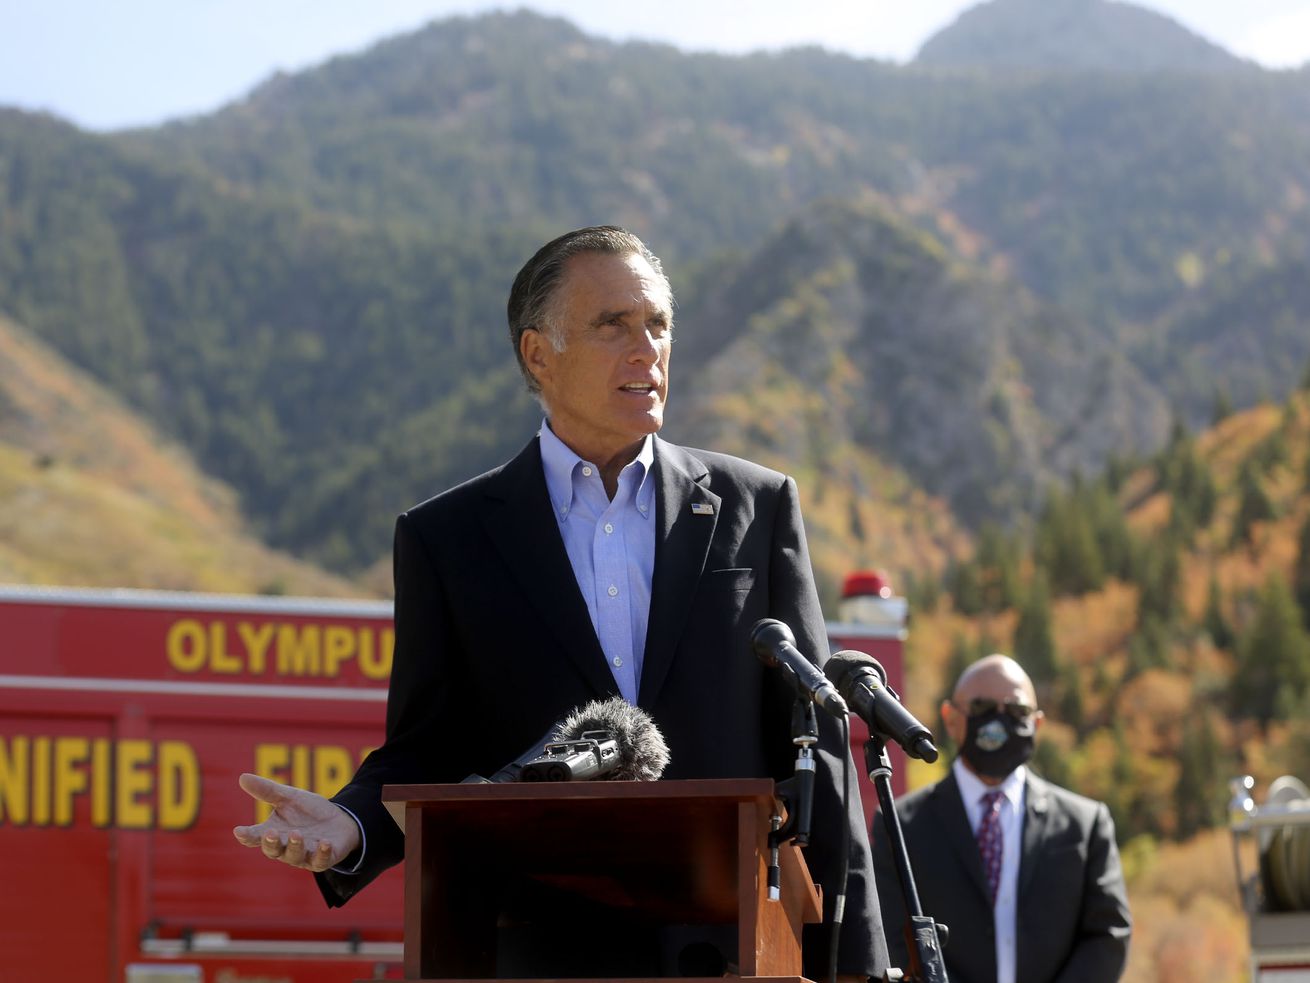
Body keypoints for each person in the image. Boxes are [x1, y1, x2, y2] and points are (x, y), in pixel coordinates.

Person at [233, 226, 888, 980]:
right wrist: (352, 824)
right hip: (542, 951)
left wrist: (858, 961)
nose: (647, 348)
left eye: (658, 325)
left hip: (732, 948)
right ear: (538, 354)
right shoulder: (447, 538)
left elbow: (818, 747)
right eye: (614, 325)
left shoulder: (757, 505)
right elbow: (429, 747)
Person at [872, 653, 1131, 983]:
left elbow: (1108, 935)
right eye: (981, 708)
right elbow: (891, 934)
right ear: (951, 719)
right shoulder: (901, 825)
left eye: (1016, 711)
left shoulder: (1085, 825)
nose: (999, 721)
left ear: (1036, 724)